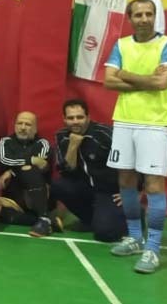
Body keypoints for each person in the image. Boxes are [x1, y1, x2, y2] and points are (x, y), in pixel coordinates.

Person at [103, 0, 167, 273]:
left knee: (154, 185)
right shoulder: (121, 45)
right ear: (130, 18)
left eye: (149, 14)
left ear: (155, 16)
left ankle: (153, 249)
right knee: (125, 180)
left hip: (155, 124)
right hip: (124, 121)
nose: (144, 19)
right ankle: (135, 238)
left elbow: (161, 83)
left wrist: (125, 74)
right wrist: (145, 79)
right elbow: (108, 81)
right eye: (138, 15)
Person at [52, 99, 125, 242]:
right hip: (85, 188)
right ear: (64, 119)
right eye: (71, 118)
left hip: (109, 191)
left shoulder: (105, 133)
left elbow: (131, 158)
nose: (75, 122)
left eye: (79, 117)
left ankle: (133, 214)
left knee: (105, 234)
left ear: (88, 117)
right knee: (59, 186)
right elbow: (66, 172)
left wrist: (131, 191)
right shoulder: (62, 136)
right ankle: (92, 220)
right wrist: (73, 146)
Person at [0, 112, 59, 237]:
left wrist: (11, 171)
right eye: (20, 123)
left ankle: (43, 216)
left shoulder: (43, 144)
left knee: (28, 170)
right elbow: (5, 160)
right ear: (15, 126)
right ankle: (46, 220)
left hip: (37, 197)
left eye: (28, 124)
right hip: (14, 199)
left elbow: (39, 166)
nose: (23, 127)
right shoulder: (6, 142)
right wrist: (31, 159)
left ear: (35, 128)